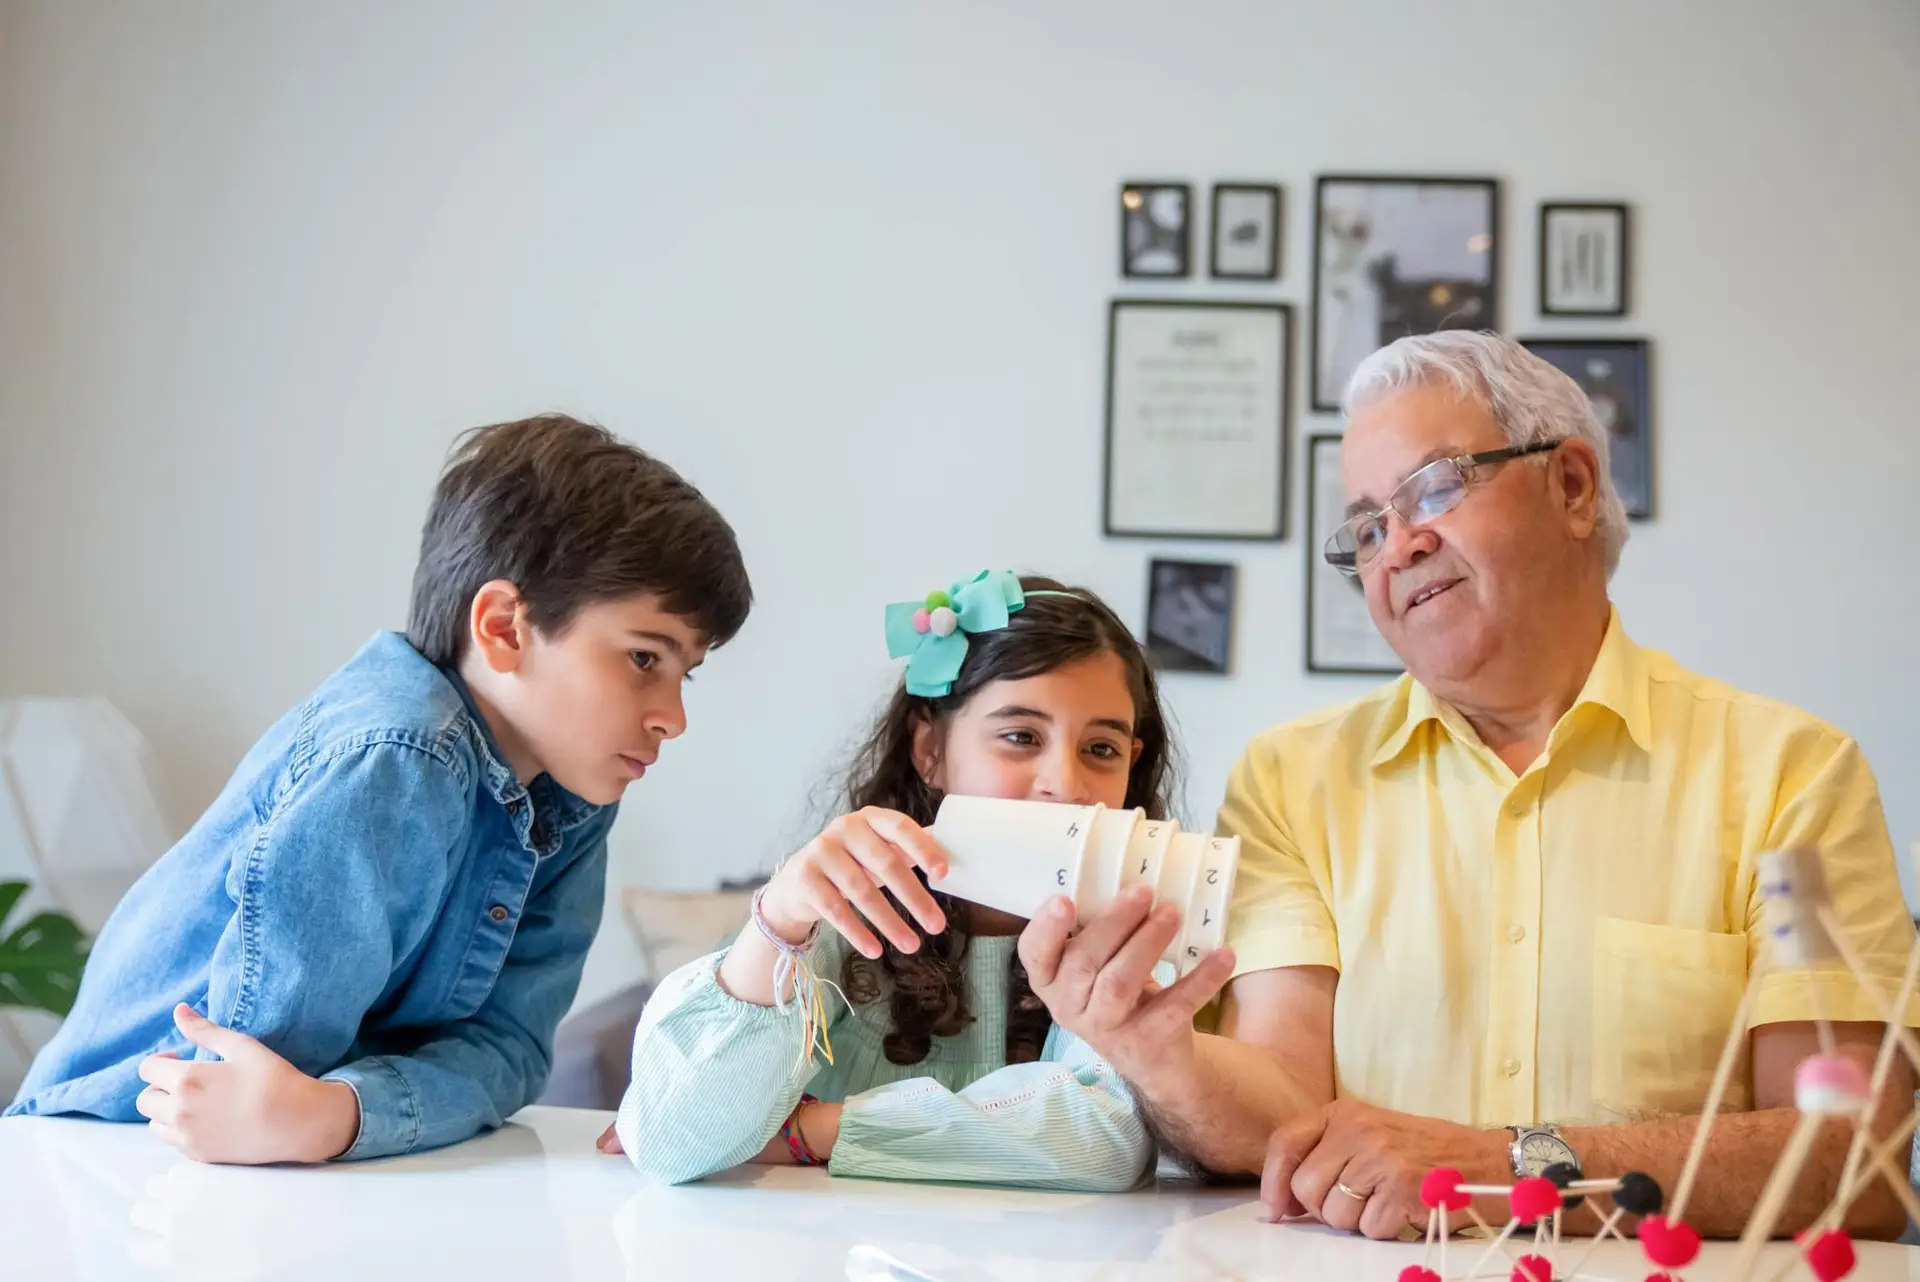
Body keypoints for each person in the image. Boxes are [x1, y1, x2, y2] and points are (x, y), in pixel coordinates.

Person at [1018, 331, 1920, 1240]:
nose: (1398, 548)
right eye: (1367, 527)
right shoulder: (1292, 780)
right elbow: (1282, 1117)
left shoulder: (1790, 775)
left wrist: (1509, 1165)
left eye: (1436, 488)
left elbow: (1851, 1161)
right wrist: (1152, 1054)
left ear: (1571, 487)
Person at [6, 414, 752, 1165]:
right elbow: (255, 1092)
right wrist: (343, 1111)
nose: (673, 719)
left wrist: (343, 1114)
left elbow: (511, 1052)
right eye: (643, 658)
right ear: (502, 627)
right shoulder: (396, 757)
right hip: (101, 1152)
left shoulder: (575, 795)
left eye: (684, 673)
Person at [607, 570, 1173, 1192]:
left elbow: (1104, 1139)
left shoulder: (1135, 935)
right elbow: (667, 1138)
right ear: (929, 748)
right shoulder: (845, 913)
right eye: (1020, 737)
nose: (1064, 784)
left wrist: (807, 1131)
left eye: (1100, 750)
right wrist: (779, 920)